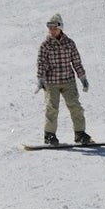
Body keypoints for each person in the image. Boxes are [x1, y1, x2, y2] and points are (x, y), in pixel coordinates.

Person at [36, 13, 92, 146]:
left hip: (68, 81)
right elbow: (41, 63)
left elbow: (76, 62)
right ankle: (49, 135)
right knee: (52, 108)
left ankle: (80, 133)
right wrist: (41, 79)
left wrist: (82, 78)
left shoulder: (69, 43)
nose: (52, 31)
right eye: (49, 28)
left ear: (61, 28)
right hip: (52, 82)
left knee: (75, 106)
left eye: (54, 28)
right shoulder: (45, 45)